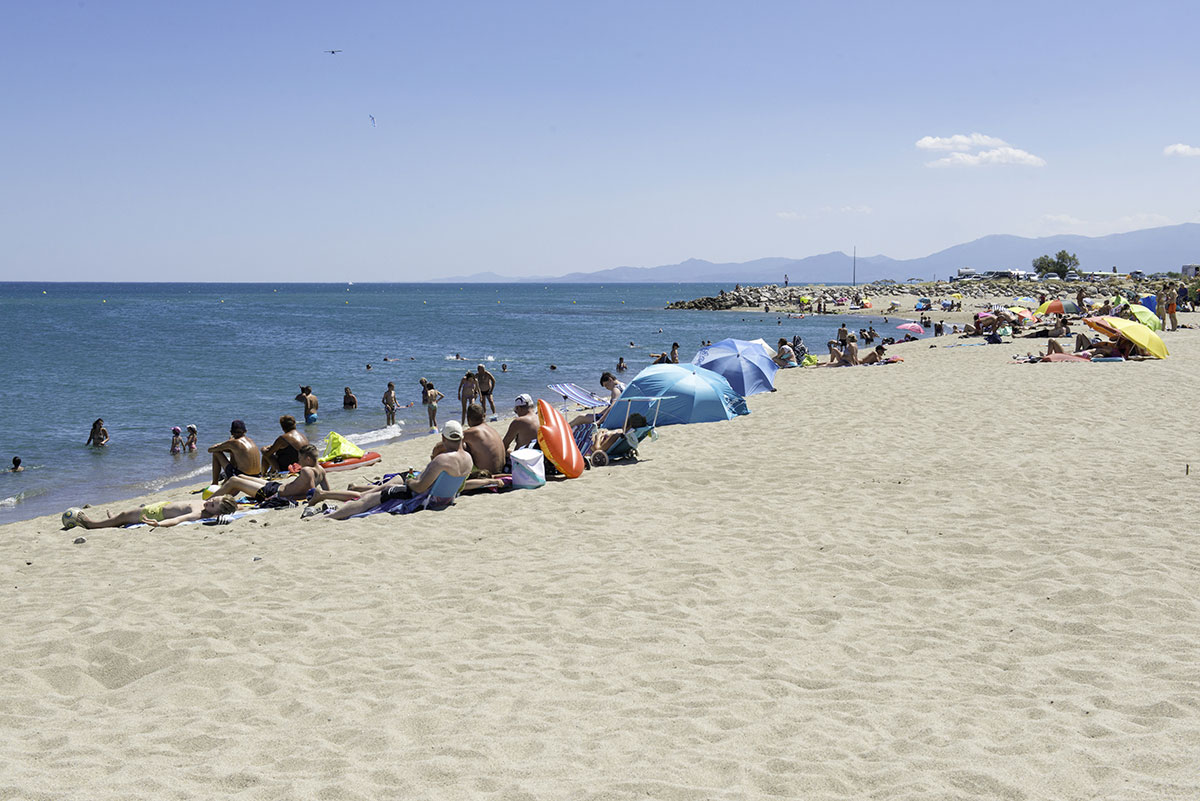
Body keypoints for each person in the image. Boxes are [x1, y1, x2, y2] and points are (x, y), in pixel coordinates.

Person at [317, 422, 476, 520]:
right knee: (384, 489)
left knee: (372, 497)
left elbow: (419, 488)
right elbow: (459, 485)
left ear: (443, 438)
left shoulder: (442, 459)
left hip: (424, 499)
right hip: (445, 499)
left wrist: (410, 481)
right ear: (461, 438)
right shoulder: (468, 458)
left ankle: (331, 517)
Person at [209, 443, 328, 502]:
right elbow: (326, 491)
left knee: (234, 480)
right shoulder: (321, 470)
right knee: (240, 476)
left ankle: (207, 502)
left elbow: (311, 494)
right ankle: (224, 499)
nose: (298, 461)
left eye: (300, 458)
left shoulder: (307, 470)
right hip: (275, 487)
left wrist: (285, 498)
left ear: (307, 459)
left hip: (272, 493)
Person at [72, 496, 239, 529]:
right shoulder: (206, 506)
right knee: (123, 515)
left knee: (124, 515)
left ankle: (90, 524)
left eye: (212, 505)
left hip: (156, 514)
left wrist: (159, 523)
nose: (208, 502)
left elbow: (179, 520)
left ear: (216, 513)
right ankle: (115, 520)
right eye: (213, 499)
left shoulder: (199, 513)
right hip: (162, 505)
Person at [437, 403, 505, 475]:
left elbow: (444, 444)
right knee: (464, 445)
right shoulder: (492, 430)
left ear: (468, 419)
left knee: (455, 445)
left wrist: (434, 456)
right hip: (502, 470)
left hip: (487, 474)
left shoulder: (473, 432)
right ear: (484, 416)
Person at [207, 420, 261, 484]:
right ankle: (226, 479)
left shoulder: (233, 442)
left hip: (243, 476)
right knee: (233, 451)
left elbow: (210, 449)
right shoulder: (251, 440)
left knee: (216, 453)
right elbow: (236, 449)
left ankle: (214, 483)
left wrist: (229, 441)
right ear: (245, 431)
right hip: (257, 475)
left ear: (231, 432)